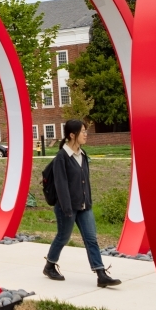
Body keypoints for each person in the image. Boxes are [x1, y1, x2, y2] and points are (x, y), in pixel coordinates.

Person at [42, 119, 121, 288]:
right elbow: (61, 186)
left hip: (84, 206)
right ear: (72, 135)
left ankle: (101, 274)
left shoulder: (83, 154)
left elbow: (85, 181)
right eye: (83, 131)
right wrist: (67, 209)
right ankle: (49, 265)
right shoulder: (61, 158)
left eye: (86, 131)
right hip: (67, 208)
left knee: (91, 239)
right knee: (63, 237)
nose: (86, 134)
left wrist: (88, 202)